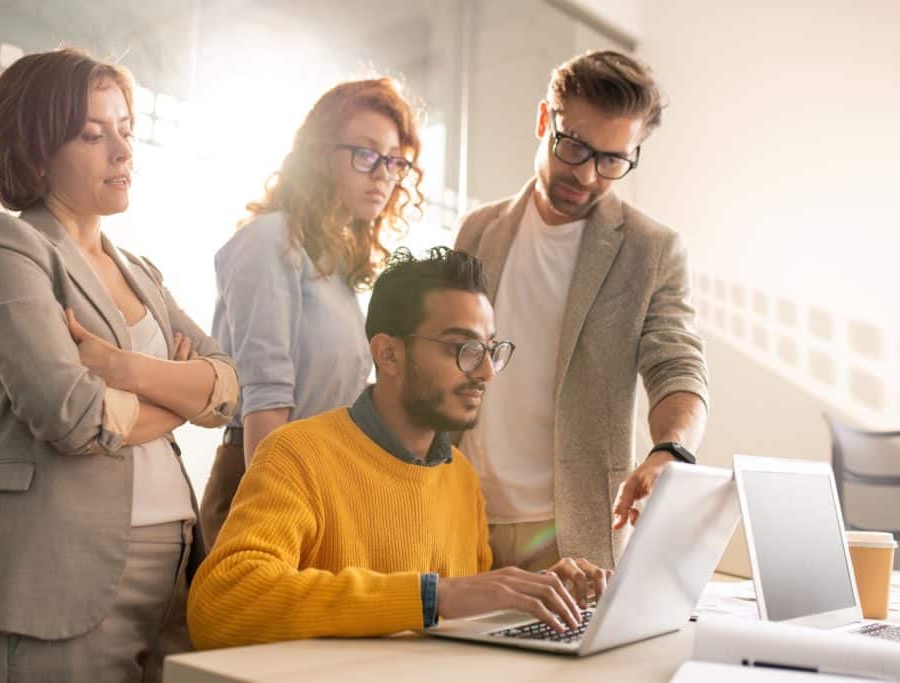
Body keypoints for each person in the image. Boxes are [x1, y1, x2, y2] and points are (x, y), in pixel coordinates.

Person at [0, 48, 238, 682]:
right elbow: (72, 416)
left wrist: (120, 369)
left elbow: (228, 389)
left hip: (175, 570)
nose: (123, 152)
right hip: (53, 567)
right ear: (36, 148)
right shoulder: (3, 244)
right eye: (92, 134)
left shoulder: (143, 272)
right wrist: (179, 394)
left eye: (126, 131)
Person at [187, 247, 610, 650]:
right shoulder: (296, 454)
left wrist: (533, 594)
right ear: (388, 354)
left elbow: (461, 612)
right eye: (461, 348)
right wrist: (430, 597)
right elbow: (221, 603)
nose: (485, 372)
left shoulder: (459, 475)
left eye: (489, 349)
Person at [454, 50, 709, 571]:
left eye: (613, 160)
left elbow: (677, 365)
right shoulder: (477, 230)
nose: (588, 175)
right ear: (545, 120)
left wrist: (671, 450)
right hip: (459, 513)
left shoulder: (650, 249)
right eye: (574, 146)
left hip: (573, 530)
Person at [199, 77, 425, 547]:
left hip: (318, 486)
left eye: (394, 160)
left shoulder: (336, 269)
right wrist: (275, 516)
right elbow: (267, 396)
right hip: (262, 484)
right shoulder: (272, 239)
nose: (383, 173)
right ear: (322, 157)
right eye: (365, 154)